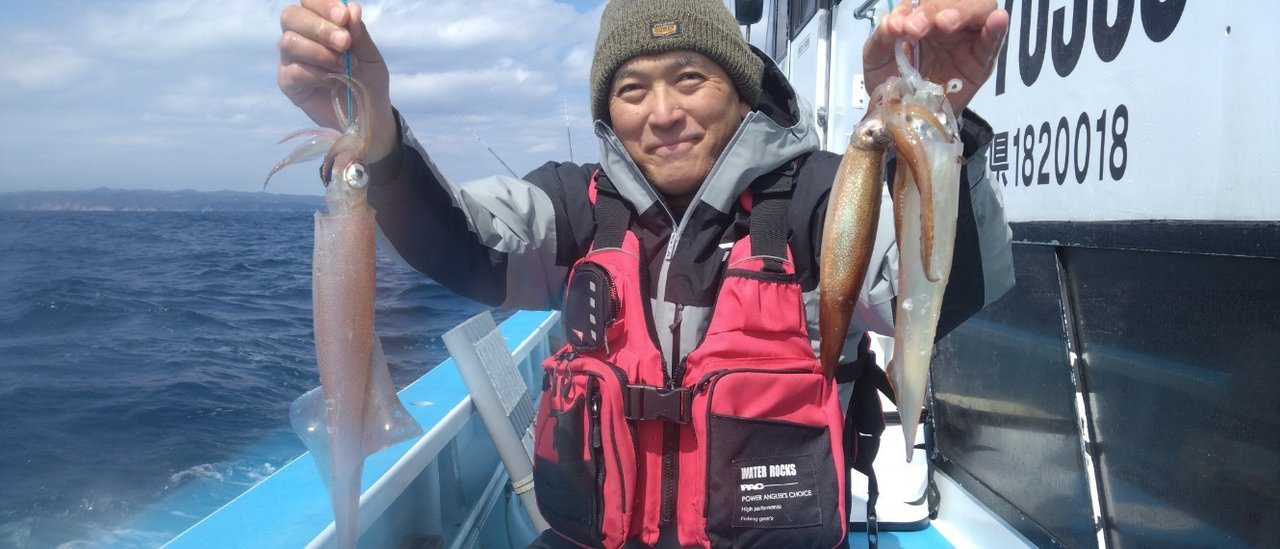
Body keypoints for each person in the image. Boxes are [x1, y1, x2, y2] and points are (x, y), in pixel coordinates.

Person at [278, 0, 1013, 547]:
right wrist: (378, 140)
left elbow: (937, 292)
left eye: (690, 78)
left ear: (741, 89)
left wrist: (937, 131)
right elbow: (465, 246)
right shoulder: (574, 206)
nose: (663, 113)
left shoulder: (819, 198)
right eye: (632, 90)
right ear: (608, 110)